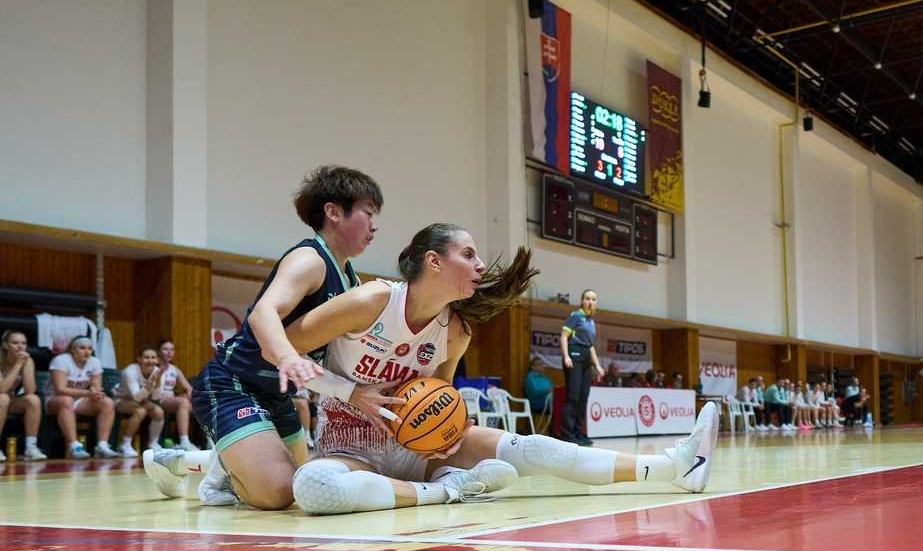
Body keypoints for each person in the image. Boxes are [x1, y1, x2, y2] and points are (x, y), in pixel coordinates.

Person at [284, 224, 720, 515]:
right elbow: (283, 349)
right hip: (351, 446)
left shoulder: (456, 332)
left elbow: (440, 394)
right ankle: (450, 489)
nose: (480, 265)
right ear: (434, 261)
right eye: (468, 254)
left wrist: (446, 432)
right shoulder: (372, 301)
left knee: (535, 448)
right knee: (313, 486)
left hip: (416, 448)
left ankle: (673, 466)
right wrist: (350, 393)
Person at [143, 165, 383, 510]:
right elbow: (262, 313)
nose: (374, 225)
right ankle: (221, 471)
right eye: (368, 213)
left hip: (276, 394)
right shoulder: (309, 259)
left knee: (303, 482)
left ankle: (182, 462)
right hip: (232, 384)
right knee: (278, 494)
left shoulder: (350, 279)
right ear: (333, 212)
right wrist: (287, 357)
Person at [44, 335, 120, 458]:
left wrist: (96, 393)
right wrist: (88, 393)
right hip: (54, 399)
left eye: (90, 348)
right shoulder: (61, 361)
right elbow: (60, 390)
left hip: (79, 400)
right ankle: (74, 446)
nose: (87, 352)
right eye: (82, 348)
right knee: (66, 400)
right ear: (72, 350)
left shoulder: (94, 362)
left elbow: (96, 387)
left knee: (107, 402)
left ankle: (102, 446)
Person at [559, 289, 605, 446]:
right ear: (582, 300)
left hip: (586, 357)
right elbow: (564, 336)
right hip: (574, 354)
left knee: (583, 397)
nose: (590, 302)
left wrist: (597, 365)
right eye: (587, 298)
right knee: (573, 396)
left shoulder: (591, 321)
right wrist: (566, 356)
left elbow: (590, 345)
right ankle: (567, 434)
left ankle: (579, 433)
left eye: (593, 299)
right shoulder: (576, 316)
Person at [0, 330, 47, 460]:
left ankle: (31, 447)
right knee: (3, 398)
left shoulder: (27, 361)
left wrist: (25, 365)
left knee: (33, 400)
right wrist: (18, 365)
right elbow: (2, 389)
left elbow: (30, 390)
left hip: (8, 402)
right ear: (5, 345)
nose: (20, 347)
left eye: (23, 343)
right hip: (2, 398)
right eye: (15, 343)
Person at [113, 347, 166, 457]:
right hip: (120, 399)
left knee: (159, 412)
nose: (150, 360)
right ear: (139, 359)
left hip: (142, 400)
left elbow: (156, 398)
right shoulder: (130, 371)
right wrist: (150, 384)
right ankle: (125, 445)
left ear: (157, 360)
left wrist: (158, 381)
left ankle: (153, 444)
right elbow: (136, 397)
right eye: (146, 357)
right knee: (140, 411)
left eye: (153, 358)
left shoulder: (158, 372)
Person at [155, 339, 198, 452]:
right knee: (183, 402)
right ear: (158, 351)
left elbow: (189, 389)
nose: (169, 352)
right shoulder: (154, 367)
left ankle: (210, 442)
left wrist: (189, 395)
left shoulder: (174, 369)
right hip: (157, 400)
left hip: (171, 400)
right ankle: (184, 441)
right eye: (165, 349)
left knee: (200, 406)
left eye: (172, 349)